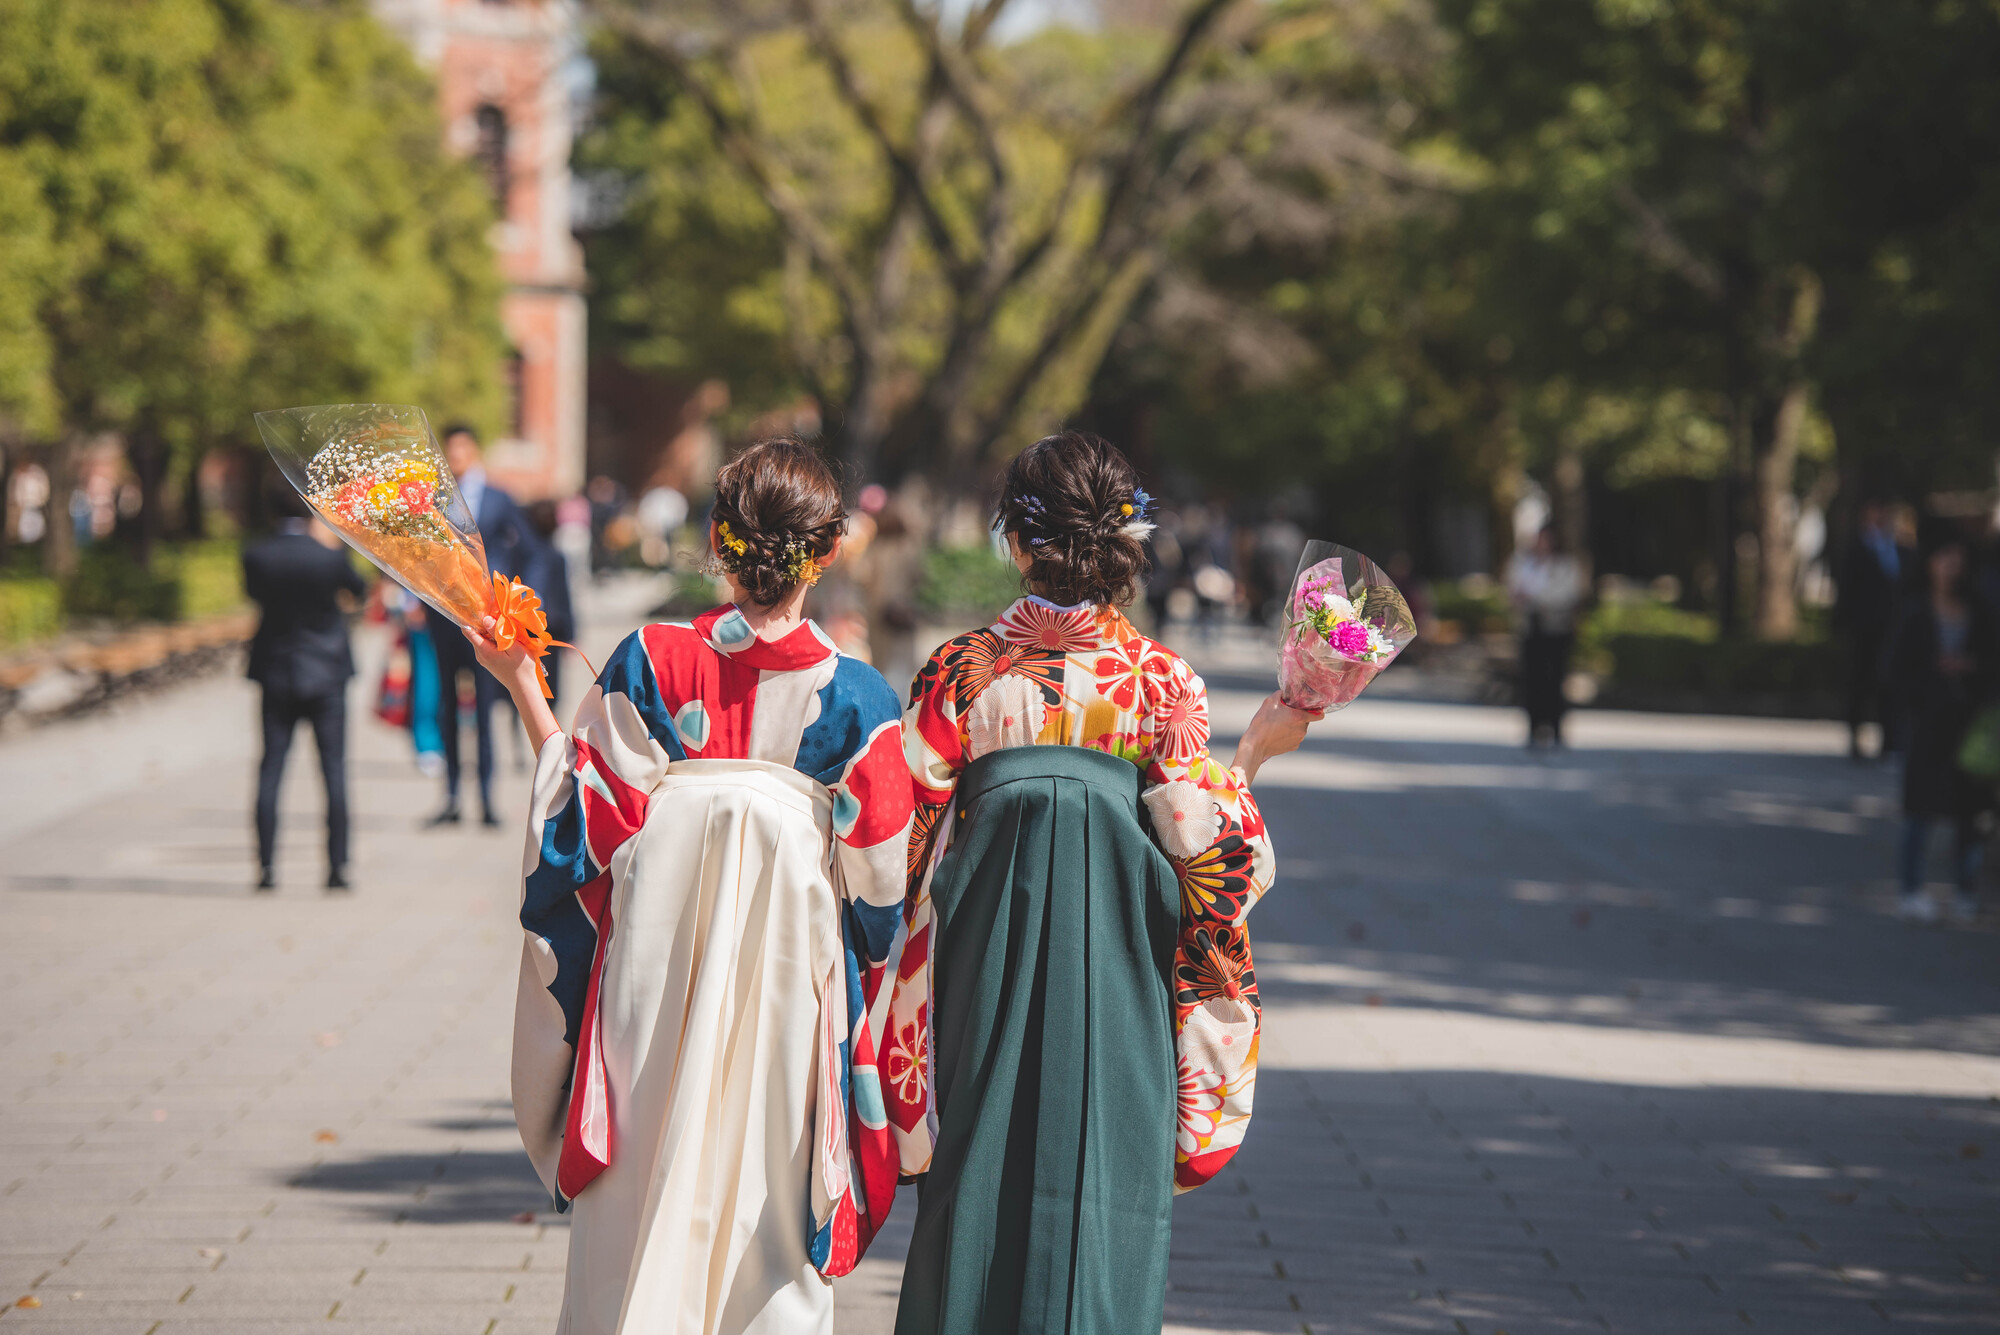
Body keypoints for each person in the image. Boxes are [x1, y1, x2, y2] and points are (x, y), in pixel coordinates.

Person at [467, 439, 916, 1335]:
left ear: (717, 541)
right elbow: (878, 897)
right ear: (828, 552)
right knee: (766, 1204)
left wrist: (523, 686)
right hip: (785, 992)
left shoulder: (651, 662)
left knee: (638, 1192)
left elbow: (575, 831)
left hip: (653, 983)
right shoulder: (861, 701)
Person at [890, 431, 1317, 1335]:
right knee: (1105, 1199)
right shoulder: (1161, 683)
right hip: (1118, 979)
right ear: (1129, 547)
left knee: (969, 1186)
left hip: (979, 976)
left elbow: (893, 848)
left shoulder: (961, 672)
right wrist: (1252, 753)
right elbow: (1217, 868)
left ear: (1016, 542)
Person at [243, 479, 367, 891]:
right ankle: (336, 868)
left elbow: (253, 594)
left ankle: (265, 869)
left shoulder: (256, 555)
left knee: (271, 768)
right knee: (332, 771)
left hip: (277, 670)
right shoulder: (328, 557)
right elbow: (360, 591)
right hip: (327, 672)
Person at [424, 423, 545, 827]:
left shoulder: (498, 498)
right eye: (449, 451)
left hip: (489, 621)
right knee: (447, 706)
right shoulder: (432, 498)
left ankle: (487, 799)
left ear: (473, 450)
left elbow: (531, 549)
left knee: (486, 708)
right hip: (443, 618)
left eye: (460, 450)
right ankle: (452, 795)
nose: (454, 458)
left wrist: (516, 596)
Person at [1886, 534, 1998, 924]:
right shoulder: (1916, 610)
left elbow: (1991, 662)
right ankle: (1911, 888)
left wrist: (1968, 668)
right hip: (1927, 722)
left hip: (1967, 724)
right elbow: (1897, 669)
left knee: (1970, 811)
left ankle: (1965, 889)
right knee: (1919, 809)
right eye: (1944, 556)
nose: (1952, 564)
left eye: (1958, 557)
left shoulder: (1978, 611)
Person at [1837, 499, 1913, 759]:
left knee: (1889, 685)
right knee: (1860, 685)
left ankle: (1888, 740)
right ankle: (1856, 738)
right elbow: (1846, 590)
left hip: (1893, 629)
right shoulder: (1856, 547)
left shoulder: (1900, 547)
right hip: (1865, 630)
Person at [1506, 523, 1586, 747]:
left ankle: (1556, 727)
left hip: (1556, 627)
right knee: (1532, 680)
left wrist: (1538, 600)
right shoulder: (1523, 564)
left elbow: (1569, 595)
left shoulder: (1565, 566)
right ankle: (1534, 727)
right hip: (1531, 627)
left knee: (1555, 679)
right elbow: (1513, 592)